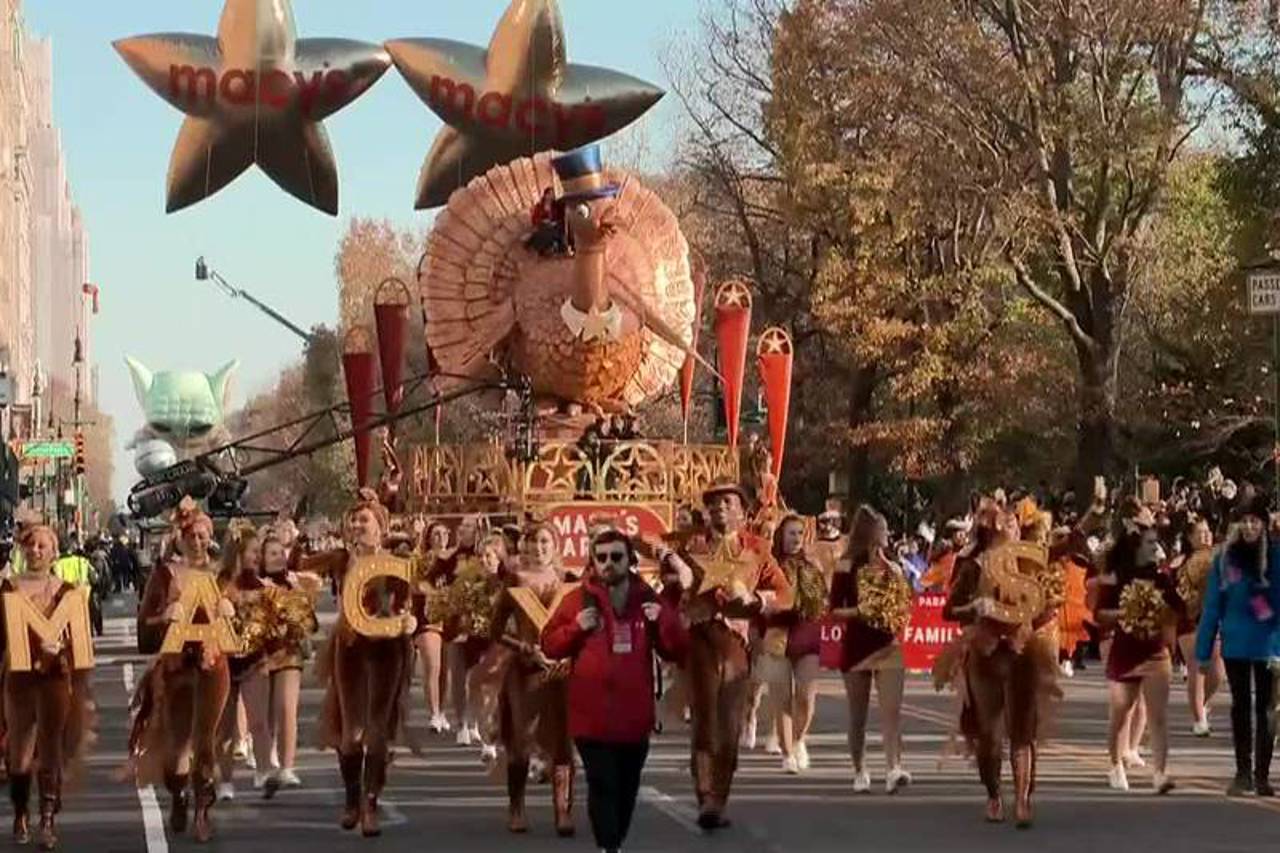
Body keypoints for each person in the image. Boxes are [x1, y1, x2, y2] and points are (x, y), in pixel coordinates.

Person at [653, 480, 793, 830]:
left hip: (736, 643)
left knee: (729, 726)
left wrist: (756, 599)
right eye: (714, 502)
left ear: (743, 511)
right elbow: (654, 550)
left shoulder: (757, 549)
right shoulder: (691, 544)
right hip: (699, 639)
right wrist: (674, 571)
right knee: (704, 721)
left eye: (728, 502)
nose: (720, 508)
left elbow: (786, 594)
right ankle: (704, 797)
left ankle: (719, 797)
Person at [542, 529, 687, 853]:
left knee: (626, 788)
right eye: (602, 557)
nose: (608, 563)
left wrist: (664, 620)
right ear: (593, 561)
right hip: (590, 718)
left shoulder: (647, 598)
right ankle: (608, 847)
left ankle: (614, 841)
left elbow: (677, 649)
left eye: (616, 557)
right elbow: (549, 645)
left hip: (634, 718)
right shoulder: (577, 600)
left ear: (630, 560)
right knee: (602, 782)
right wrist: (576, 627)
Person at [941, 500, 1059, 827]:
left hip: (1023, 651)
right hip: (986, 653)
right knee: (990, 734)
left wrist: (1037, 614)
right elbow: (949, 610)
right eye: (1007, 523)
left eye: (1016, 523)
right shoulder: (973, 564)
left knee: (1023, 729)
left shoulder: (1031, 562)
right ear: (991, 529)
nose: (1014, 528)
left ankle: (1022, 800)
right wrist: (974, 609)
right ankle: (993, 795)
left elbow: (1046, 605)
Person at [127, 498, 233, 842]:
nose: (198, 542)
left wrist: (233, 611)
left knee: (205, 740)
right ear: (180, 539)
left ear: (210, 537)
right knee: (176, 752)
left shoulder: (223, 574)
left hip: (213, 665)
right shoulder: (165, 574)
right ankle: (178, 793)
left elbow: (249, 628)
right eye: (191, 536)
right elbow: (144, 627)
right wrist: (164, 616)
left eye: (203, 536)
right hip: (175, 667)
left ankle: (202, 810)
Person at [315, 488, 418, 837]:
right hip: (351, 648)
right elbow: (298, 563)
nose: (358, 525)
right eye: (354, 520)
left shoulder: (397, 562)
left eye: (365, 520)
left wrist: (411, 620)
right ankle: (352, 800)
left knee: (377, 731)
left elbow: (413, 600)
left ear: (380, 526)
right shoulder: (342, 559)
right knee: (352, 733)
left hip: (387, 649)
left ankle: (371, 803)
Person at [2, 524, 94, 849]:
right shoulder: (9, 588)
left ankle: (47, 819)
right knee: (19, 752)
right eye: (31, 546)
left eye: (42, 546)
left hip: (55, 677)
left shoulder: (68, 591)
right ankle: (20, 813)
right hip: (19, 679)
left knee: (51, 745)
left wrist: (62, 647)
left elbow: (80, 642)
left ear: (54, 553)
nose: (36, 551)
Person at [487, 520, 577, 835]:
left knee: (563, 740)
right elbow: (496, 629)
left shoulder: (568, 581)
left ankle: (563, 810)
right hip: (525, 669)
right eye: (534, 542)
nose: (539, 548)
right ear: (525, 546)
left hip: (561, 670)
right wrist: (525, 647)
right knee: (521, 738)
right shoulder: (516, 580)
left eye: (545, 542)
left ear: (555, 546)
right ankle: (517, 806)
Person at [1196, 495, 1280, 796]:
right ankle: (1243, 772)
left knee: (1267, 709)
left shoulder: (1275, 557)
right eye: (1244, 521)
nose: (1249, 526)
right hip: (1235, 645)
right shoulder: (1225, 559)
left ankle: (1262, 775)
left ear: (1264, 525)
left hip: (1268, 645)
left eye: (1254, 521)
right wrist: (1203, 651)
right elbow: (1212, 606)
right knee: (1240, 707)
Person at [1094, 513, 1182, 795]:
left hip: (1156, 653)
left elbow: (1179, 608)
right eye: (1150, 543)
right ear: (1136, 547)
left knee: (1158, 716)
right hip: (1125, 652)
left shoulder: (1161, 578)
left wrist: (1166, 614)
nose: (1156, 548)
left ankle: (1160, 773)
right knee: (1121, 712)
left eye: (1157, 543)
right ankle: (1115, 765)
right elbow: (1099, 615)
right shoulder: (1116, 577)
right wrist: (1126, 613)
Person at [829, 505, 911, 794]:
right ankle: (860, 770)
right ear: (869, 532)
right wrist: (861, 611)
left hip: (888, 645)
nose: (887, 534)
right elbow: (834, 610)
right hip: (857, 647)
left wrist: (893, 575)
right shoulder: (846, 565)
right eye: (883, 529)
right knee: (858, 716)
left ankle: (893, 769)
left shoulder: (894, 565)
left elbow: (903, 602)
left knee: (892, 712)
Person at [213, 522, 274, 800]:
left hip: (254, 660)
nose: (258, 557)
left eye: (259, 552)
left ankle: (264, 772)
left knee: (258, 721)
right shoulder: (219, 584)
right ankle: (225, 781)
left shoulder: (261, 585)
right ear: (238, 552)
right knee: (225, 727)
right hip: (224, 662)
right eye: (253, 551)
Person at [762, 515, 827, 775]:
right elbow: (758, 596)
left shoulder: (812, 564)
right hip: (777, 635)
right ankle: (787, 753)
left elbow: (823, 599)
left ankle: (799, 740)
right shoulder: (769, 564)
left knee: (806, 698)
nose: (796, 538)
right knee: (782, 699)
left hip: (807, 634)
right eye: (791, 533)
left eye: (800, 533)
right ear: (782, 536)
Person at [259, 531, 321, 797]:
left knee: (286, 708)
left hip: (289, 653)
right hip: (260, 654)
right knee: (264, 714)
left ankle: (287, 766)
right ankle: (266, 761)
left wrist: (299, 593)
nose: (279, 557)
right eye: (272, 553)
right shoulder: (254, 585)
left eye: (281, 553)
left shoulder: (294, 583)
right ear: (261, 558)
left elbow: (311, 624)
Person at [1173, 518, 1223, 736]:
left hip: (1213, 619)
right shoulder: (1181, 563)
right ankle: (1199, 719)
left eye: (1207, 531)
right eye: (1200, 532)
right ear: (1189, 538)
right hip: (1189, 620)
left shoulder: (1219, 557)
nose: (1205, 535)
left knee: (1218, 673)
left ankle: (1202, 704)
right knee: (1197, 666)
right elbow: (1178, 594)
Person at [416, 520, 453, 734]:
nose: (441, 538)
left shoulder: (455, 560)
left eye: (444, 533)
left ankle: (442, 711)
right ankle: (434, 713)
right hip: (427, 619)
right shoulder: (423, 560)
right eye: (436, 534)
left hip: (449, 620)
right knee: (433, 666)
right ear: (429, 538)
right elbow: (415, 585)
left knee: (445, 671)